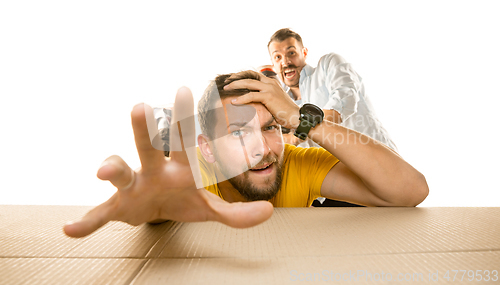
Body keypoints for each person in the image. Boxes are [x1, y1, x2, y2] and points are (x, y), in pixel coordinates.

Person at [63, 70, 428, 238]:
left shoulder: (294, 160)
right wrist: (155, 216)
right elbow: (168, 200)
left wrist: (303, 120)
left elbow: (411, 190)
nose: (261, 150)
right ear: (205, 148)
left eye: (270, 127)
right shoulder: (197, 174)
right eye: (238, 132)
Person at [267, 28, 397, 151]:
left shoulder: (328, 64)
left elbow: (343, 101)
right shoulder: (283, 102)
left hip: (377, 155)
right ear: (273, 65)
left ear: (304, 53)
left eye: (291, 53)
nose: (286, 62)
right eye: (278, 57)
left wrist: (300, 133)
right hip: (337, 171)